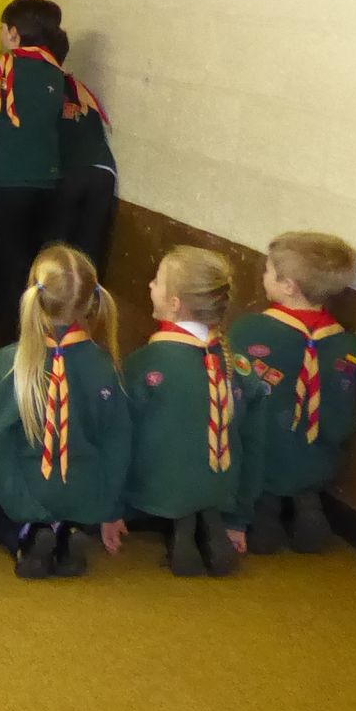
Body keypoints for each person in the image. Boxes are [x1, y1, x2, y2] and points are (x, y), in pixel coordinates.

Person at [0, 243, 128, 579]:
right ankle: (71, 530)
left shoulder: (10, 362)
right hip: (83, 495)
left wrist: (20, 503)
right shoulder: (105, 363)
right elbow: (118, 441)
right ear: (92, 300)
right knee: (75, 502)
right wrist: (109, 509)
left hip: (26, 491)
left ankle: (27, 534)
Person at [107, 246, 252, 577]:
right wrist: (239, 518)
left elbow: (120, 437)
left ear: (174, 303)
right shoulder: (237, 362)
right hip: (223, 486)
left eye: (157, 281)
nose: (149, 286)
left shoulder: (146, 362)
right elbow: (252, 439)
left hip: (158, 487)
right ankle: (205, 517)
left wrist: (110, 510)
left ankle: (178, 523)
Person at [230, 231, 356, 555]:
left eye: (269, 271)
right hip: (317, 452)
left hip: (266, 451)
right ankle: (309, 515)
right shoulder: (346, 343)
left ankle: (264, 525)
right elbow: (342, 409)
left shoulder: (251, 330)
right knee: (305, 482)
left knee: (262, 485)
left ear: (289, 286)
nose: (263, 275)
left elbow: (233, 385)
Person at [0, 0, 67, 339]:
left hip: (6, 183)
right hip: (47, 182)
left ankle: (13, 340)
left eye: (1, 28)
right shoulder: (56, 75)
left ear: (14, 34)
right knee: (38, 263)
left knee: (10, 264)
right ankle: (41, 333)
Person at [49, 28, 117, 272]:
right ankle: (88, 305)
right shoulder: (78, 86)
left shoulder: (42, 86)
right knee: (89, 249)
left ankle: (55, 304)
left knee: (55, 249)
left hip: (69, 172)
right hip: (103, 170)